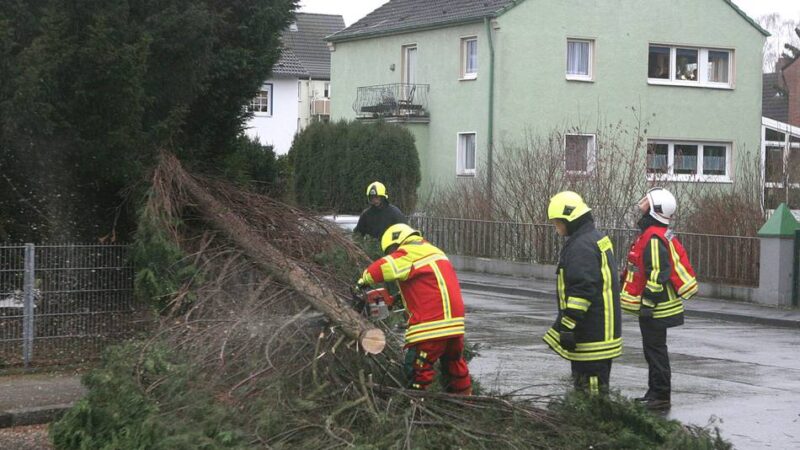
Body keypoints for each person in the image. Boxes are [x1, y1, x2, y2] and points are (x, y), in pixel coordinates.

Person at [357, 223, 471, 395]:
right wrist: (397, 300)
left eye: (391, 251)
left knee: (418, 368)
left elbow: (383, 267)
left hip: (431, 326)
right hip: (455, 325)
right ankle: (465, 401)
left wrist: (363, 280)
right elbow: (430, 289)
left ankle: (417, 406)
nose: (392, 254)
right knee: (454, 364)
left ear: (397, 243)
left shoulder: (408, 252)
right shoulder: (434, 251)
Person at [620, 187, 698, 410]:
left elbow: (658, 273)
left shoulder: (653, 237)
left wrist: (647, 303)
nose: (641, 209)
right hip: (655, 307)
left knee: (656, 353)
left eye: (646, 205)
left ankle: (661, 395)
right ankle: (654, 392)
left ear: (654, 211)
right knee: (653, 351)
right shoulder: (654, 233)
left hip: (656, 309)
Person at [542, 191, 622, 395]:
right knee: (590, 390)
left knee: (592, 396)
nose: (556, 227)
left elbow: (582, 291)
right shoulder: (594, 238)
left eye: (557, 222)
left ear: (570, 218)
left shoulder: (581, 246)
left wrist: (567, 326)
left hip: (592, 335)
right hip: (600, 330)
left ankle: (597, 428)